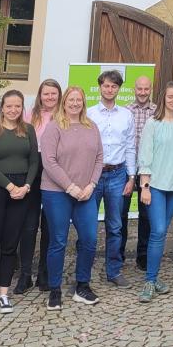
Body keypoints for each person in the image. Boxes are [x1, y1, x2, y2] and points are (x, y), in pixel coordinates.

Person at [39, 85, 104, 311]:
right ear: (64, 102)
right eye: (71, 100)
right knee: (58, 240)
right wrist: (70, 187)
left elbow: (99, 158)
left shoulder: (91, 126)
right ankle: (55, 289)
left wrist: (92, 184)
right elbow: (49, 161)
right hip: (57, 192)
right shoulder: (54, 127)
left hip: (86, 193)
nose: (75, 103)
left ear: (83, 102)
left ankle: (82, 286)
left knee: (89, 239)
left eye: (79, 100)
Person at [0, 89, 40, 317]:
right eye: (9, 106)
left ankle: (4, 294)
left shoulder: (29, 130)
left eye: (17, 106)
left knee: (11, 246)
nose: (13, 110)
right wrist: (10, 186)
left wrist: (27, 186)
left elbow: (34, 161)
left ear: (22, 108)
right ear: (2, 108)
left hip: (22, 193)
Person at [137, 81, 173, 302]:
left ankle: (155, 276)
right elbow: (145, 155)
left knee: (162, 232)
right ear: (163, 98)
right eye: (170, 96)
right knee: (157, 231)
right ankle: (149, 281)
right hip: (156, 186)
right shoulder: (153, 123)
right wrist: (145, 186)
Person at [88, 69, 137, 289]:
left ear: (119, 89)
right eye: (106, 85)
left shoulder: (126, 115)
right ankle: (84, 272)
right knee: (87, 225)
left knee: (115, 226)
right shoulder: (89, 114)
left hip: (118, 174)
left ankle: (114, 271)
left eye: (114, 86)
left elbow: (130, 147)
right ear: (100, 87)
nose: (110, 89)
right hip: (93, 174)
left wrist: (131, 176)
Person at [17, 78, 60, 294]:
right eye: (46, 93)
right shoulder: (29, 116)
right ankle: (25, 274)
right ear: (40, 96)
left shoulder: (63, 117)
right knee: (29, 225)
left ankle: (45, 273)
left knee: (49, 225)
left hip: (55, 171)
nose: (50, 97)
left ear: (59, 95)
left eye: (53, 93)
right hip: (32, 169)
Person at [121, 74, 155, 270]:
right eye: (139, 89)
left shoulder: (157, 112)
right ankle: (119, 254)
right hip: (126, 168)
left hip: (148, 170)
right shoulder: (125, 111)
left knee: (146, 215)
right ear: (134, 89)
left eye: (146, 89)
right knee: (121, 213)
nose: (143, 92)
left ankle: (143, 255)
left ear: (151, 90)